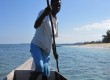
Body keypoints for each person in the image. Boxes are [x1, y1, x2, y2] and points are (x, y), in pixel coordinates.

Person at [30, 0, 61, 80]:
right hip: (36, 45)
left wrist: (54, 53)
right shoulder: (43, 12)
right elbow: (36, 25)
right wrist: (44, 14)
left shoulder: (57, 21)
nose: (57, 7)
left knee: (46, 71)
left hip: (46, 51)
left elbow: (53, 39)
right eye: (55, 5)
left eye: (59, 6)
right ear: (51, 5)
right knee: (40, 67)